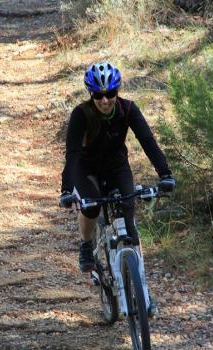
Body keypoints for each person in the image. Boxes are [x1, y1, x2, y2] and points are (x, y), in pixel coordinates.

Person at [60, 62, 175, 317]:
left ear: (117, 91)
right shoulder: (81, 114)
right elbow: (73, 153)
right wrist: (66, 189)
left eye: (110, 94)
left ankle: (143, 293)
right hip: (87, 169)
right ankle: (86, 245)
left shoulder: (128, 109)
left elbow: (147, 140)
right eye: (98, 95)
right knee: (91, 207)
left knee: (129, 220)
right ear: (91, 94)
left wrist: (165, 174)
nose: (105, 101)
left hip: (116, 167)